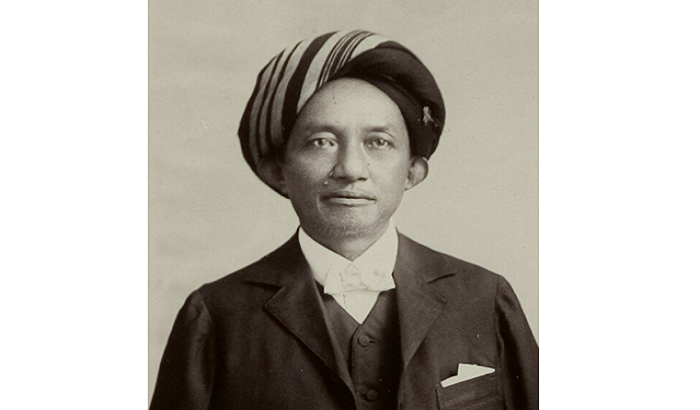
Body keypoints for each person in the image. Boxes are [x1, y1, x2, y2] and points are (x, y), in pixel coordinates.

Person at [150, 29, 538, 410]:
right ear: (279, 171)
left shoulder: (484, 298)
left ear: (412, 171)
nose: (351, 169)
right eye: (322, 141)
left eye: (378, 142)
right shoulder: (215, 315)